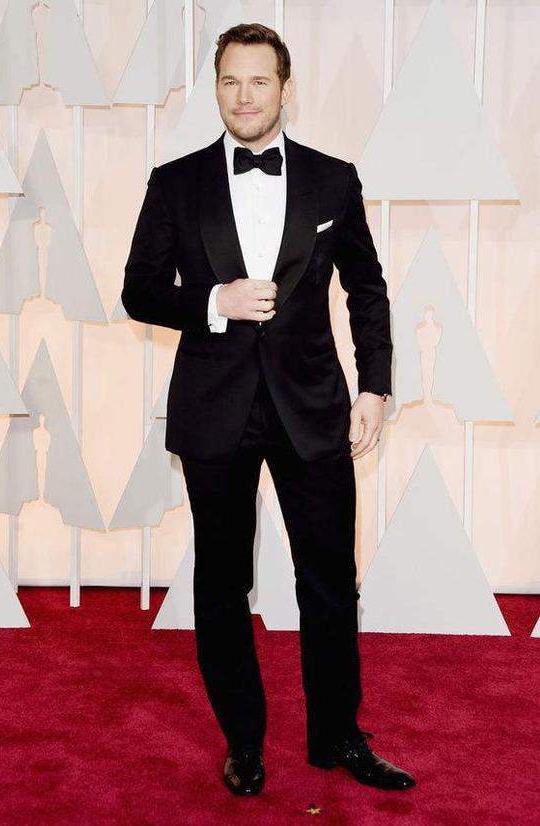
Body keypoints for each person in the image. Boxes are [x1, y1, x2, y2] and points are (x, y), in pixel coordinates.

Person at [122, 22, 415, 797]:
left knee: (330, 580)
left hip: (312, 407)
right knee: (222, 584)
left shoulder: (332, 179)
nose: (244, 96)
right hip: (214, 409)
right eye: (230, 81)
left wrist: (375, 387)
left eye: (259, 81)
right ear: (216, 89)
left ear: (285, 89)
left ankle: (339, 736)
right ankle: (243, 744)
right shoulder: (175, 182)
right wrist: (211, 302)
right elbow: (138, 290)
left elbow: (368, 290)